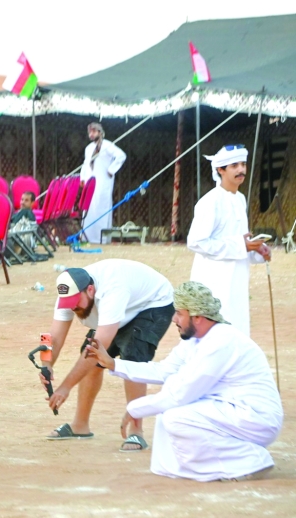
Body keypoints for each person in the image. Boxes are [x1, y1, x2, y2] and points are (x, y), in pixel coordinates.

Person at [86, 282, 282, 481]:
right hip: (231, 411)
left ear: (197, 317)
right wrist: (113, 365)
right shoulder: (196, 340)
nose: (173, 319)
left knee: (176, 416)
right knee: (169, 412)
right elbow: (164, 370)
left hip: (255, 417)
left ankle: (251, 461)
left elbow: (181, 393)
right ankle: (202, 467)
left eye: (179, 313)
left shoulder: (221, 342)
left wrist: (135, 408)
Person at [42, 261, 175, 450]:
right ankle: (80, 425)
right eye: (68, 304)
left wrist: (65, 387)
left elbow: (99, 346)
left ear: (90, 290)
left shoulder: (112, 290)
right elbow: (52, 337)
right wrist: (46, 364)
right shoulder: (67, 293)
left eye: (75, 303)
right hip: (120, 307)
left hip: (152, 304)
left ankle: (136, 432)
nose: (73, 308)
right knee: (88, 358)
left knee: (132, 357)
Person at [187, 145, 269, 336]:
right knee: (214, 332)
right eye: (234, 165)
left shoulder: (240, 199)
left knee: (235, 330)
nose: (241, 170)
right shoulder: (210, 201)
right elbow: (196, 242)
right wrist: (241, 245)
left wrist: (258, 250)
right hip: (213, 281)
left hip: (237, 280)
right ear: (220, 170)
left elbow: (241, 241)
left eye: (243, 164)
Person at [79, 122, 126, 244]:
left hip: (103, 181)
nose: (91, 134)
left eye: (94, 131)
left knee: (101, 208)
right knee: (89, 208)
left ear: (100, 133)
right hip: (90, 182)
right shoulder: (88, 148)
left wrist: (111, 170)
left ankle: (102, 239)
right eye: (90, 132)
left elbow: (121, 156)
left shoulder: (107, 146)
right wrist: (82, 178)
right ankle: (87, 237)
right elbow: (85, 164)